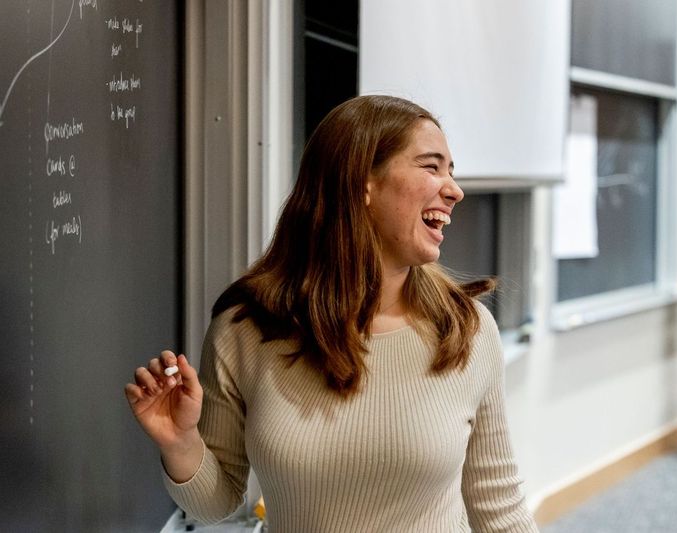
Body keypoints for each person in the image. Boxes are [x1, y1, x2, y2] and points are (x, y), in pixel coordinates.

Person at [125, 95, 539, 532]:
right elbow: (218, 502)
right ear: (362, 181)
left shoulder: (465, 330)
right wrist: (181, 443)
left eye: (451, 172)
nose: (454, 189)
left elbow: (499, 505)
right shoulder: (244, 330)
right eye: (431, 167)